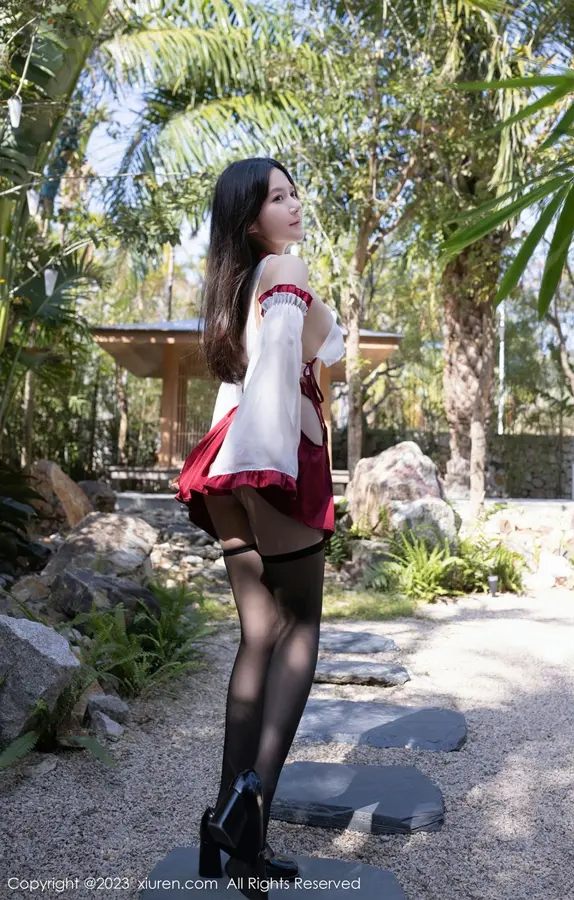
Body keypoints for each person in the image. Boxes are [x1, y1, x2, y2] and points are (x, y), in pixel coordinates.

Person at [172, 157, 345, 890]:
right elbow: (277, 362)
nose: (295, 203)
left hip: (228, 459)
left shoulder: (236, 285)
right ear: (250, 220)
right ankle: (252, 808)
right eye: (278, 197)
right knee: (300, 625)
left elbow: (264, 368)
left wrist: (239, 467)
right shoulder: (284, 270)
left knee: (259, 636)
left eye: (295, 191)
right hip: (266, 454)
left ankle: (225, 829)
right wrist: (272, 466)